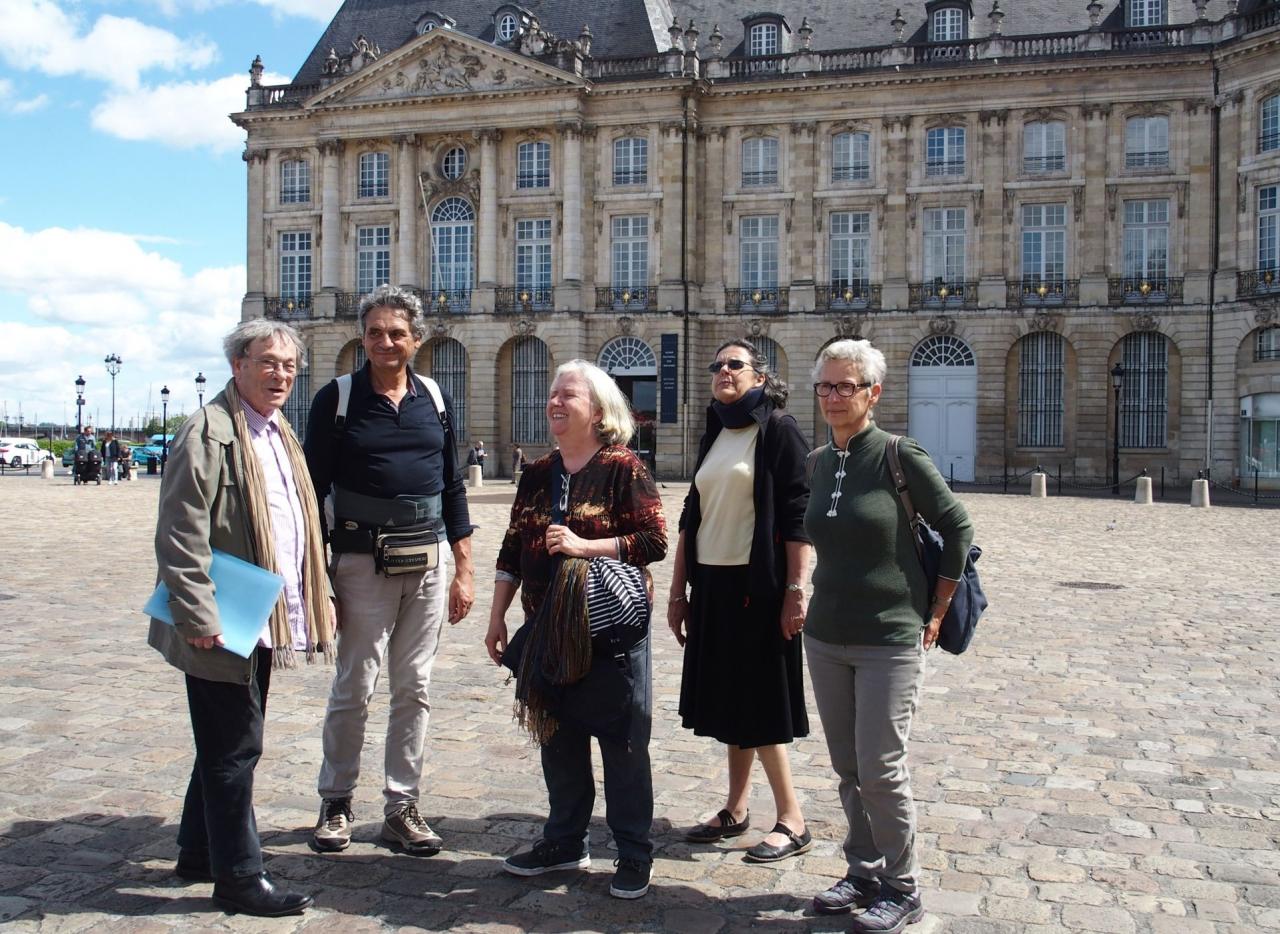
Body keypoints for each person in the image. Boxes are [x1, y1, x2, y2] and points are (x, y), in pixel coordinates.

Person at [149, 318, 333, 918]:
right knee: (235, 747)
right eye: (267, 362)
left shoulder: (277, 429)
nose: (280, 374)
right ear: (238, 365)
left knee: (223, 738)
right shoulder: (208, 432)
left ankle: (198, 851)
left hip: (260, 608)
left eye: (288, 364)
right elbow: (181, 534)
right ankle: (239, 877)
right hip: (223, 614)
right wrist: (199, 614)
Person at [804, 339, 973, 932]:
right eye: (825, 385)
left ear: (873, 393)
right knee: (848, 766)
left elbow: (956, 525)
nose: (832, 396)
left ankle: (904, 886)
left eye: (845, 386)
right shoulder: (820, 462)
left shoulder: (899, 455)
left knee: (881, 767)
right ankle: (862, 870)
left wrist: (936, 608)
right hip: (826, 635)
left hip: (890, 638)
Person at [485, 360, 667, 899]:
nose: (555, 404)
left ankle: (634, 852)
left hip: (610, 630)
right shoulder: (538, 473)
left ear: (599, 410)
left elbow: (654, 541)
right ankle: (565, 841)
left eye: (568, 395)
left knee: (622, 741)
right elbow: (513, 547)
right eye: (552, 395)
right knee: (557, 736)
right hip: (544, 627)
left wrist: (589, 547)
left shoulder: (623, 468)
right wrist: (498, 615)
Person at [305, 285, 475, 857]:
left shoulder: (435, 397)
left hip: (427, 560)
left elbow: (452, 487)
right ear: (363, 337)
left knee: (415, 687)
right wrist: (317, 577)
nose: (385, 341)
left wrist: (465, 567)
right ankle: (335, 799)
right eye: (375, 331)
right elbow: (313, 491)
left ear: (416, 339)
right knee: (355, 683)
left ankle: (402, 804)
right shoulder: (337, 399)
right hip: (359, 560)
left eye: (396, 332)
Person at [668, 338, 813, 863]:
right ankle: (735, 808)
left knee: (760, 702)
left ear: (759, 376)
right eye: (718, 365)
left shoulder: (778, 429)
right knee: (731, 698)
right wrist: (678, 589)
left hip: (760, 587)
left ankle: (792, 818)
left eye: (736, 365)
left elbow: (798, 517)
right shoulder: (717, 429)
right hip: (713, 584)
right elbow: (692, 513)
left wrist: (797, 591)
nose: (724, 371)